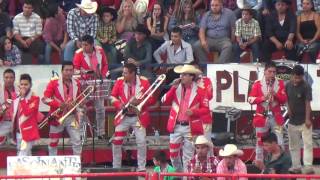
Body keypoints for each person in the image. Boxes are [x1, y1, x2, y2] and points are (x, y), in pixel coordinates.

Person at [161, 64, 210, 172]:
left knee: (187, 157)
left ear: (191, 76)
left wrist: (193, 112)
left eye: (184, 74)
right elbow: (164, 100)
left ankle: (186, 178)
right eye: (181, 74)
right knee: (173, 155)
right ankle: (179, 174)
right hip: (176, 126)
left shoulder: (200, 90)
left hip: (190, 127)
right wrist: (172, 88)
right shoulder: (176, 87)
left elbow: (206, 110)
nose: (181, 76)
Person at [110, 63, 155, 171]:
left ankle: (141, 168)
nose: (123, 74)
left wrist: (139, 101)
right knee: (117, 141)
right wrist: (119, 105)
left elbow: (151, 99)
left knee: (141, 141)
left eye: (125, 72)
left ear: (132, 73)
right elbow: (112, 97)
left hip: (138, 116)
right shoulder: (120, 81)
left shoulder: (144, 82)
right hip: (123, 117)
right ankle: (116, 167)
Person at [248, 62, 287, 162]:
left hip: (276, 117)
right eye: (270, 71)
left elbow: (284, 100)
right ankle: (259, 163)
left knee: (280, 141)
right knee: (260, 142)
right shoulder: (257, 83)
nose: (272, 74)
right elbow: (250, 100)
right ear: (264, 72)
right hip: (262, 116)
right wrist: (262, 98)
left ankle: (280, 162)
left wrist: (275, 94)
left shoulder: (280, 83)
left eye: (274, 72)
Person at [42, 62, 82, 156]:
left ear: (73, 71)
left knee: (77, 141)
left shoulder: (77, 82)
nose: (68, 72)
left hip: (72, 116)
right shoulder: (53, 83)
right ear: (62, 71)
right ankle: (52, 164)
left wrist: (81, 103)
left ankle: (77, 165)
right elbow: (45, 99)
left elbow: (79, 98)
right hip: (57, 117)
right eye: (66, 70)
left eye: (71, 70)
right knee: (53, 142)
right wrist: (58, 104)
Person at [73, 35, 108, 139]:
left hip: (98, 82)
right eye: (82, 44)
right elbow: (75, 70)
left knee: (101, 109)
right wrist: (85, 74)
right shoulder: (78, 54)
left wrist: (103, 75)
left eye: (85, 45)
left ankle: (101, 133)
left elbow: (105, 65)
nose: (83, 47)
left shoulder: (100, 50)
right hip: (84, 84)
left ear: (92, 44)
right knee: (81, 109)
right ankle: (80, 134)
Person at [285, 65, 314, 174]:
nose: (297, 80)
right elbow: (286, 98)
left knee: (308, 144)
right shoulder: (287, 85)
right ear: (291, 76)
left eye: (299, 78)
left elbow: (307, 103)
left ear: (302, 76)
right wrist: (288, 109)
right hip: (292, 120)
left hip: (304, 120)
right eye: (295, 77)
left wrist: (307, 119)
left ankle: (308, 166)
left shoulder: (306, 86)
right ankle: (296, 166)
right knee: (293, 145)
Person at [13, 74, 41, 156]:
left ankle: (18, 168)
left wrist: (22, 98)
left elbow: (27, 112)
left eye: (26, 84)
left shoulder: (35, 98)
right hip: (18, 131)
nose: (23, 86)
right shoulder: (16, 96)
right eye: (21, 84)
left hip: (28, 131)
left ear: (30, 85)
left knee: (22, 154)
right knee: (25, 153)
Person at [0, 69, 19, 145]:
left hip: (17, 123)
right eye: (6, 77)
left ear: (14, 78)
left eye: (11, 77)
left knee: (20, 142)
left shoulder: (20, 90)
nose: (9, 79)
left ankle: (13, 137)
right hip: (3, 122)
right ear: (3, 78)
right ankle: (5, 137)